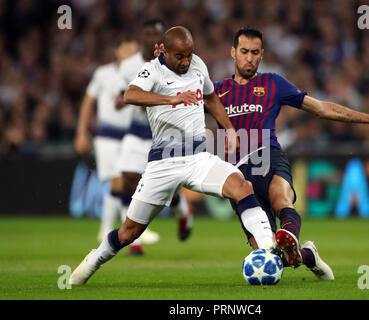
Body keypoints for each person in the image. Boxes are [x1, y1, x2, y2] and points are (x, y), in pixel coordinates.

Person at [69, 26, 276, 285]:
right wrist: (171, 100)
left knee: (242, 187)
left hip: (197, 157)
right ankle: (93, 260)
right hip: (163, 163)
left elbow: (211, 98)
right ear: (164, 51)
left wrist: (230, 130)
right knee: (129, 232)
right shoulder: (151, 70)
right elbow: (130, 94)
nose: (186, 61)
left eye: (189, 54)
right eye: (180, 56)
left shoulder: (198, 65)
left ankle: (268, 247)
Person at [211, 27, 369, 280]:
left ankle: (290, 234)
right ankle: (307, 256)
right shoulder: (215, 92)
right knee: (270, 254)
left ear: (262, 55)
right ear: (233, 52)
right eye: (244, 52)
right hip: (236, 174)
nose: (249, 58)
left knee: (281, 199)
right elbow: (178, 102)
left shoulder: (273, 83)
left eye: (255, 52)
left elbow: (321, 108)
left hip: (267, 155)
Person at [116, 20, 193, 254]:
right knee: (128, 179)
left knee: (167, 186)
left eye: (156, 34)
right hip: (137, 132)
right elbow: (124, 95)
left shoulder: (175, 62)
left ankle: (183, 212)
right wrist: (121, 100)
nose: (151, 38)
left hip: (166, 133)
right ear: (141, 36)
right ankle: (135, 242)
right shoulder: (128, 65)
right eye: (148, 33)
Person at [74, 38, 135, 248]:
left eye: (135, 50)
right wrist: (81, 132)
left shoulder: (139, 74)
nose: (132, 53)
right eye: (128, 48)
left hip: (131, 136)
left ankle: (108, 229)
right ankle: (126, 232)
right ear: (118, 50)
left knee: (124, 181)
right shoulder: (103, 73)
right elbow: (88, 101)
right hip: (107, 135)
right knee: (118, 179)